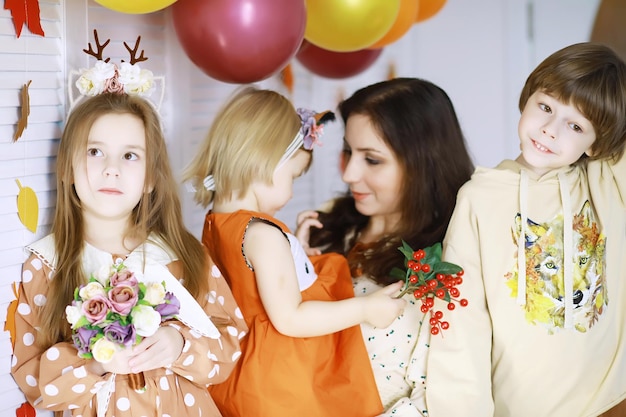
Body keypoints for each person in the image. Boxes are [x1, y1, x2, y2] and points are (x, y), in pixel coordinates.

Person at [10, 92, 247, 417]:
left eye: (130, 156)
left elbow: (229, 338)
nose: (112, 169)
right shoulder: (47, 265)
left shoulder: (181, 255)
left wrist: (179, 344)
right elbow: (33, 377)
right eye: (95, 151)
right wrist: (95, 362)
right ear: (66, 167)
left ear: (151, 177)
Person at [426, 42, 626, 417]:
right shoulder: (479, 198)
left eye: (576, 125)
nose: (550, 130)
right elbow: (460, 321)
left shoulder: (606, 182)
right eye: (545, 107)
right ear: (526, 98)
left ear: (597, 144)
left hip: (609, 403)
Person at [182, 86, 406, 417]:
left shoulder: (217, 223)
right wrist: (366, 308)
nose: (290, 192)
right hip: (280, 379)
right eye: (293, 176)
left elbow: (250, 286)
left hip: (242, 375)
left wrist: (296, 250)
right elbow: (289, 317)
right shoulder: (263, 234)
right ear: (264, 160)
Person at [296, 77, 475, 416]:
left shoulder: (450, 257)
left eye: (372, 160)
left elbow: (439, 397)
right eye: (348, 151)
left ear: (423, 164)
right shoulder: (326, 225)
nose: (349, 174)